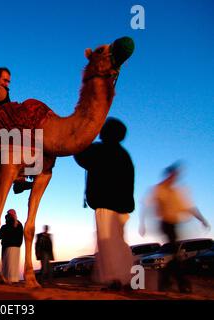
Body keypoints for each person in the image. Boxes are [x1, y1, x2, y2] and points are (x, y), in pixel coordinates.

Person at [74, 117, 135, 291]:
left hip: (106, 205)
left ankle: (116, 280)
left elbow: (79, 153)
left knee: (108, 244)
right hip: (123, 208)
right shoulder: (124, 155)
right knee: (119, 243)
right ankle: (126, 278)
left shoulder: (100, 150)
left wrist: (86, 135)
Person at [139, 162, 210, 293]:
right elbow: (146, 205)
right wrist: (142, 224)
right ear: (169, 175)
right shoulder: (158, 189)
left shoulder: (176, 191)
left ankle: (165, 280)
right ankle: (181, 283)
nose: (174, 178)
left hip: (174, 224)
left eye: (176, 176)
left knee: (175, 256)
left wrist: (202, 219)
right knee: (176, 254)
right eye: (173, 175)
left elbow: (189, 207)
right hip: (165, 224)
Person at [0, 209, 24, 284]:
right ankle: (14, 279)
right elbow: (21, 236)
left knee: (6, 264)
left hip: (7, 246)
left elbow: (0, 236)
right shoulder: (19, 224)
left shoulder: (6, 225)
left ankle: (7, 279)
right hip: (17, 247)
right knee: (14, 264)